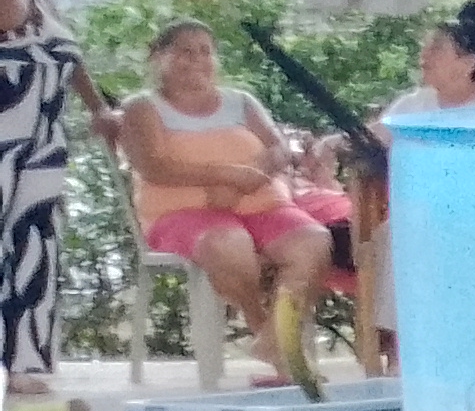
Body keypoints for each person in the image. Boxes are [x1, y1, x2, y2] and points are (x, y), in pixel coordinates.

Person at [117, 20, 339, 388]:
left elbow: (279, 148)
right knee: (229, 243)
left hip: (261, 204)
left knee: (314, 241)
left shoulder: (241, 102)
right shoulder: (142, 107)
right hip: (182, 213)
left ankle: (273, 339)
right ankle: (263, 328)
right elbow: (153, 166)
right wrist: (226, 175)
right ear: (158, 57)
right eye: (185, 51)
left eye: (205, 51)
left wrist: (251, 176)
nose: (197, 60)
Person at [0, 0, 118, 399]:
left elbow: (68, 51)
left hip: (43, 139)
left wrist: (99, 108)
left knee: (36, 244)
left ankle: (26, 362)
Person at [374, 18, 475, 131]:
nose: (424, 55)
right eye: (425, 47)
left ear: (468, 63)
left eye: (436, 48)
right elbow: (373, 144)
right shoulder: (412, 106)